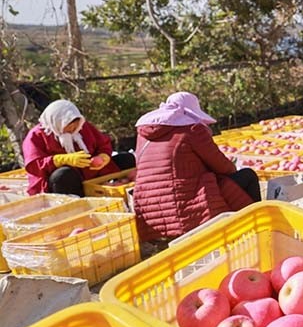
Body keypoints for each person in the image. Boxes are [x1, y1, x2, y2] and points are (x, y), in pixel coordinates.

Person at [132, 92, 261, 242]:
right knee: (247, 175)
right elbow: (223, 167)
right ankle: (257, 222)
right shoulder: (192, 130)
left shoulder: (143, 135)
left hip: (148, 211)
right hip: (185, 207)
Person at [23, 99, 135, 196]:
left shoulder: (83, 127)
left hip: (92, 173)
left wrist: (103, 157)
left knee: (127, 159)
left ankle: (117, 190)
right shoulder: (36, 136)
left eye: (75, 127)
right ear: (57, 123)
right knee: (62, 175)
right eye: (69, 127)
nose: (73, 130)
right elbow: (34, 165)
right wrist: (62, 160)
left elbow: (103, 144)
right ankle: (79, 200)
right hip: (65, 181)